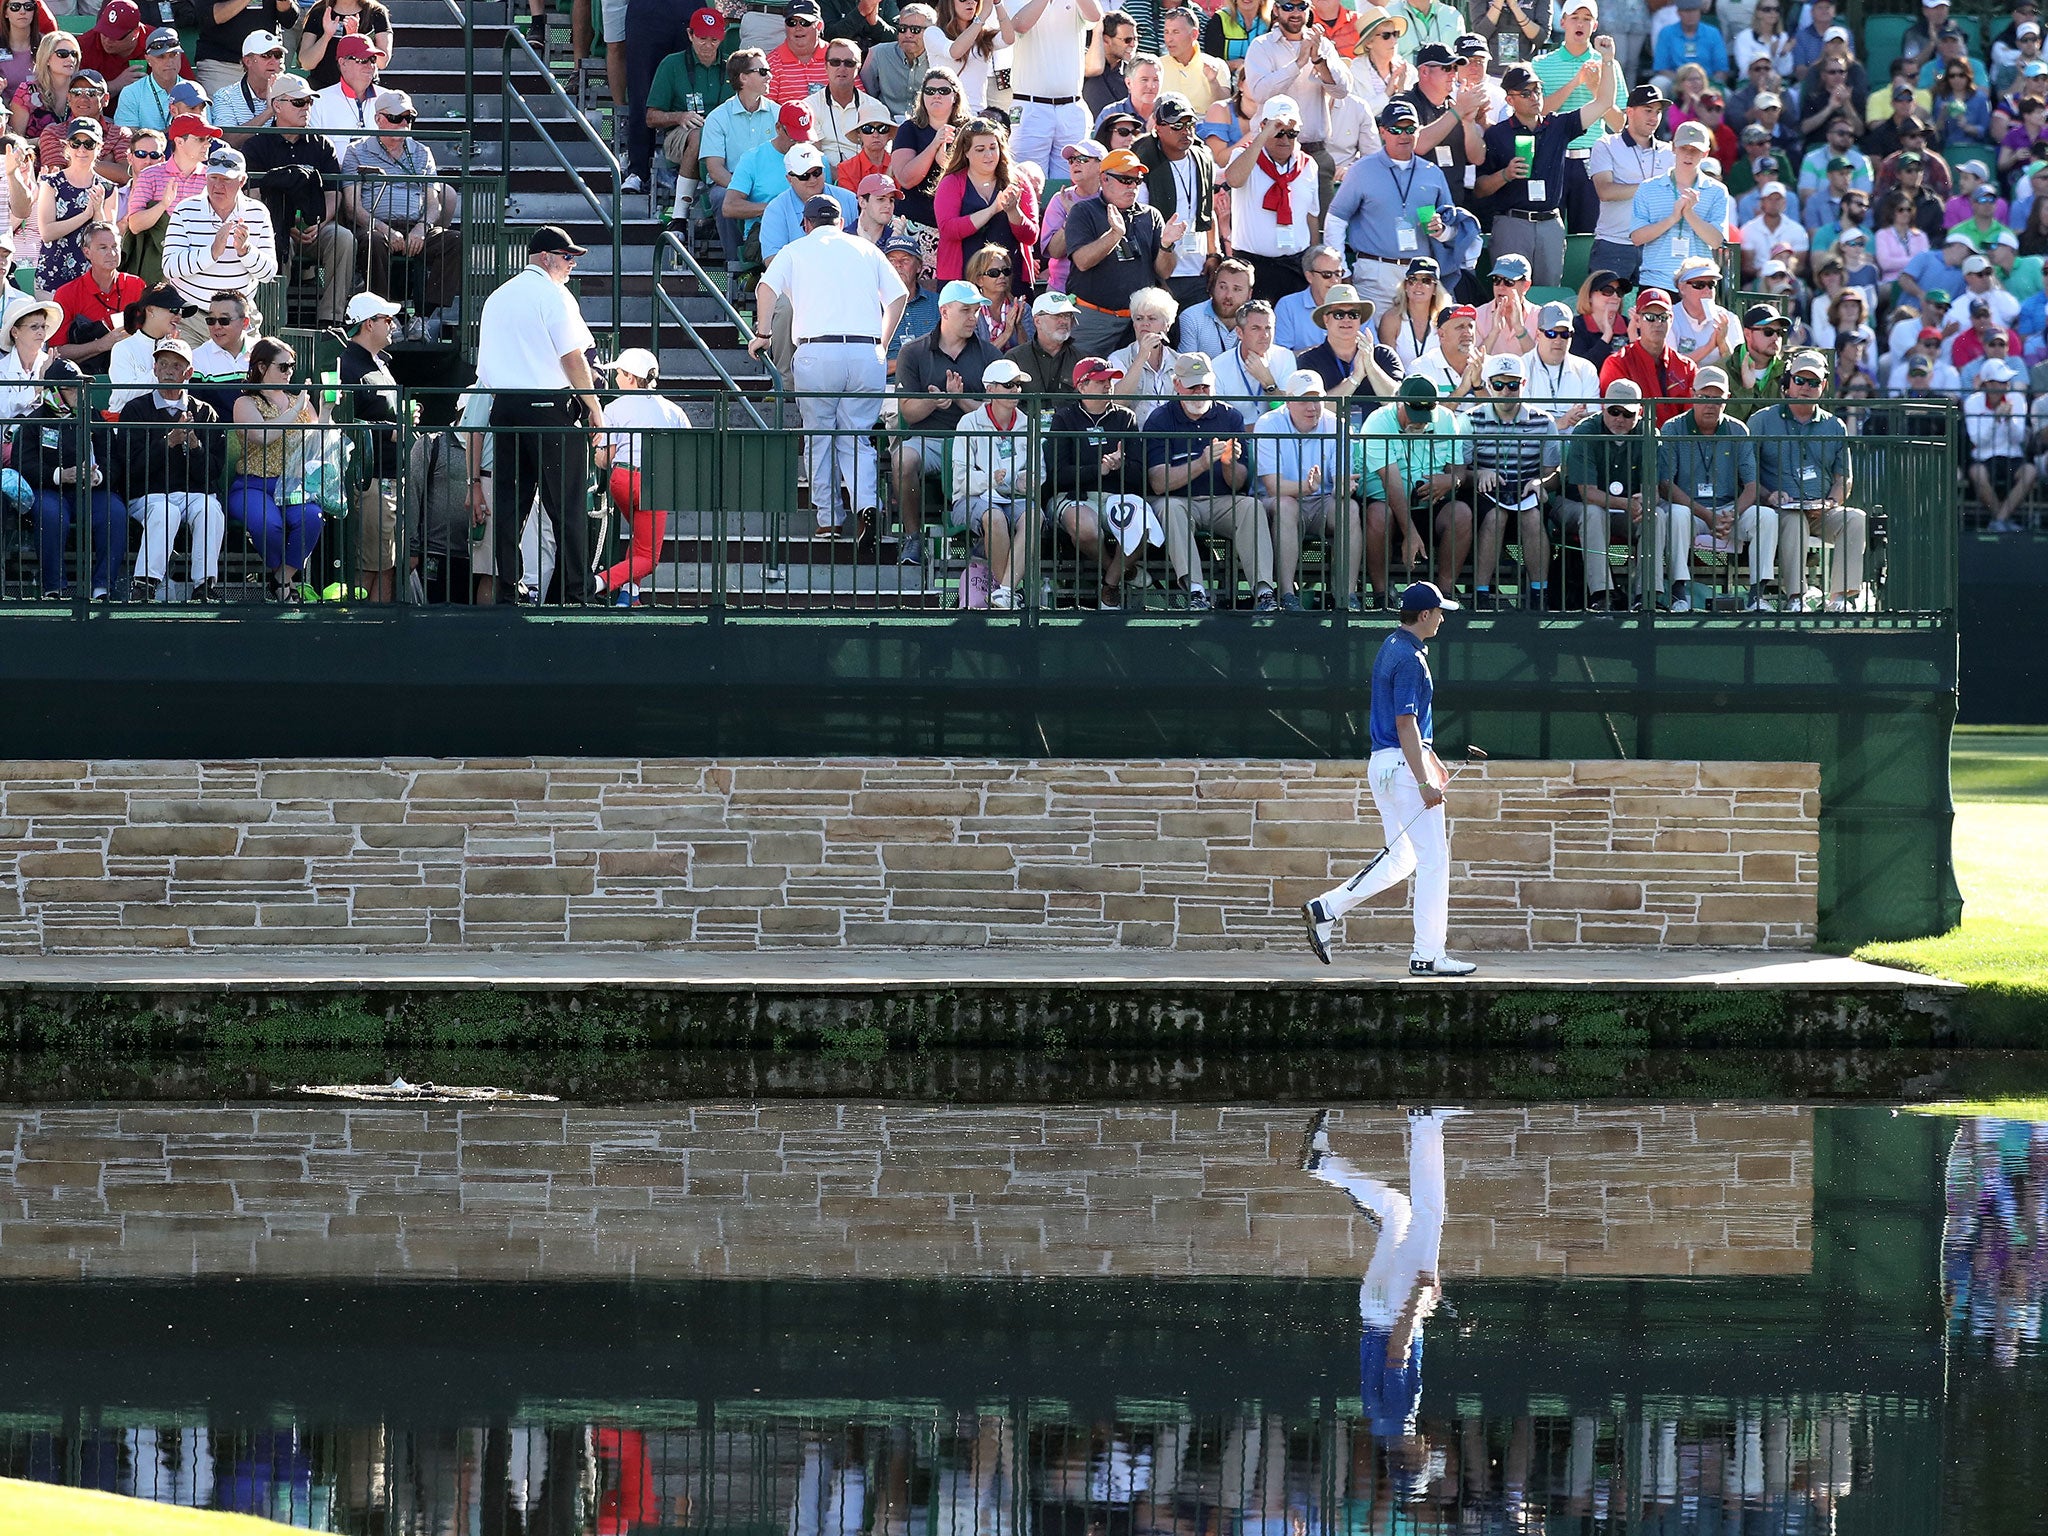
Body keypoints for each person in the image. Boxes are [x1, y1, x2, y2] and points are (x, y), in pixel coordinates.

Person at [1299, 578, 1472, 974]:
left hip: (1385, 764)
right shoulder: (1411, 659)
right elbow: (1405, 724)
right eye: (1440, 611)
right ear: (1425, 614)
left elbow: (1407, 729)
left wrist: (1432, 761)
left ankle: (1326, 909)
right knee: (1434, 862)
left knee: (1402, 859)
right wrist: (1425, 780)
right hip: (1404, 767)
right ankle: (1428, 956)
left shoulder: (1392, 645)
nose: (1443, 618)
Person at [755, 193, 908, 536]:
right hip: (865, 351)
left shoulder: (795, 250)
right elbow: (900, 296)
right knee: (857, 437)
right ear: (841, 222)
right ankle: (866, 504)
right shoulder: (867, 249)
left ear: (806, 224)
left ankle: (828, 519)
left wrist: (763, 334)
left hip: (817, 352)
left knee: (820, 437)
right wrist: (881, 343)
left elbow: (765, 288)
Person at [474, 226, 604, 607]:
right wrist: (593, 406)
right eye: (567, 257)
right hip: (548, 409)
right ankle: (576, 594)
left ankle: (508, 590)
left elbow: (485, 369)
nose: (572, 264)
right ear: (545, 257)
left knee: (510, 505)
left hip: (505, 408)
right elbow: (572, 356)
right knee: (568, 507)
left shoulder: (496, 297)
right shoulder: (554, 295)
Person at [1144, 350, 1277, 610]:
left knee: (1251, 507)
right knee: (1171, 508)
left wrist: (1228, 463)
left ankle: (1264, 591)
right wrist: (1202, 464)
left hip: (1221, 500)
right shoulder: (1159, 420)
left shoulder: (1230, 417)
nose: (1200, 392)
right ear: (1177, 385)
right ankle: (1195, 591)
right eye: (1193, 386)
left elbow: (1238, 483)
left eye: (1205, 385)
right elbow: (1158, 483)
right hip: (1179, 501)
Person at [891, 278, 1003, 565]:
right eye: (966, 310)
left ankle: (983, 539)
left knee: (1004, 462)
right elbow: (908, 413)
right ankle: (914, 538)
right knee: (902, 459)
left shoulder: (990, 354)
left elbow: (998, 415)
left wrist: (960, 399)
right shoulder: (913, 352)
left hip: (977, 444)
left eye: (976, 311)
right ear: (944, 312)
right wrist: (933, 401)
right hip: (930, 439)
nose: (973, 317)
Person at [1748, 349, 1865, 610]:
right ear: (1787, 383)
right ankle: (1795, 597)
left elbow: (1843, 478)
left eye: (1814, 382)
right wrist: (1769, 495)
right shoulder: (1761, 421)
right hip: (1776, 510)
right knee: (1793, 519)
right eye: (1800, 380)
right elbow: (1745, 474)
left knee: (1856, 518)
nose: (1806, 388)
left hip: (1821, 510)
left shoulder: (1835, 425)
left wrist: (1831, 503)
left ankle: (1840, 598)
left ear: (1823, 386)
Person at [116, 333, 225, 603]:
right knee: (166, 512)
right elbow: (130, 468)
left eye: (176, 366)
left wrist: (195, 447)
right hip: (147, 495)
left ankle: (205, 586)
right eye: (163, 364)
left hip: (192, 494)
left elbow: (212, 474)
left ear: (188, 372)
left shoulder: (205, 413)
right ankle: (144, 584)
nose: (168, 371)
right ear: (154, 368)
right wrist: (168, 443)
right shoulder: (135, 410)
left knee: (211, 509)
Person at [1651, 363, 1767, 609]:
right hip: (1692, 510)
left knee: (1765, 516)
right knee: (1678, 514)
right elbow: (1665, 485)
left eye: (1718, 398)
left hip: (1727, 512)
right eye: (1704, 397)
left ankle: (1757, 596)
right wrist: (1706, 515)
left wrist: (1732, 514)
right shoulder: (1673, 428)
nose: (1711, 404)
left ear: (1728, 399)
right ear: (1693, 395)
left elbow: (1752, 487)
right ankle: (1679, 592)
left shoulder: (1738, 429)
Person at [1324, 100, 1456, 314]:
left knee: (1418, 344)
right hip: (1374, 272)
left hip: (1420, 275)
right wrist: (1342, 269)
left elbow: (1453, 228)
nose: (1404, 135)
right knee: (1374, 342)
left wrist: (1442, 231)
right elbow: (1336, 220)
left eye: (1410, 129)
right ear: (1383, 131)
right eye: (1396, 129)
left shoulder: (1433, 172)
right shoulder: (1361, 170)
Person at [341, 90, 458, 325]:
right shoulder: (357, 151)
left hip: (416, 225)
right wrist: (384, 229)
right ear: (379, 119)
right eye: (396, 118)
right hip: (376, 226)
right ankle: (383, 316)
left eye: (409, 118)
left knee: (454, 241)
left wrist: (422, 228)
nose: (404, 124)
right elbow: (353, 207)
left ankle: (424, 317)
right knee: (373, 242)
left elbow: (434, 203)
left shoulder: (422, 152)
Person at [586, 348, 693, 607]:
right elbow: (688, 450)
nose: (616, 380)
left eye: (620, 374)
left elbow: (604, 458)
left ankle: (629, 595)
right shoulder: (673, 410)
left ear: (631, 378)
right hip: (656, 482)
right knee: (649, 556)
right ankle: (598, 583)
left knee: (641, 540)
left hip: (622, 479)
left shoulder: (613, 408)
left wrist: (595, 448)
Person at [227, 335, 325, 601]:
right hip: (253, 484)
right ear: (261, 367)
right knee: (268, 525)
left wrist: (327, 409)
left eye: (292, 366)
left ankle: (281, 579)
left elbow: (317, 440)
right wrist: (297, 410)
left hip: (293, 484)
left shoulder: (299, 401)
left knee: (311, 518)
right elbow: (262, 435)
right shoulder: (245, 402)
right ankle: (285, 585)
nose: (289, 372)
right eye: (283, 366)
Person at [1254, 367, 1359, 608]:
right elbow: (1272, 486)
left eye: (1318, 399)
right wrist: (1306, 487)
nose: (1312, 407)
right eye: (1304, 400)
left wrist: (1344, 487)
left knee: (1350, 509)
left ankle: (1347, 595)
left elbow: (1340, 481)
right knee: (1286, 505)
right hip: (1278, 502)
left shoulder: (1336, 424)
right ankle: (1287, 594)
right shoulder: (1269, 423)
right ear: (1288, 401)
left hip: (1322, 500)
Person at [1357, 374, 1469, 599]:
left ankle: (1443, 595)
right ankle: (1381, 594)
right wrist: (1411, 534)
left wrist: (1452, 481)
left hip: (1430, 504)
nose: (1420, 422)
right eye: (1414, 414)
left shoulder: (1447, 419)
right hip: (1386, 501)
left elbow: (1458, 471)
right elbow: (1393, 486)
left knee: (1462, 513)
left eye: (1426, 415)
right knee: (1379, 514)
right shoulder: (1377, 422)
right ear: (1399, 402)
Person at [18, 355, 120, 598]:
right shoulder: (34, 421)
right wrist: (58, 475)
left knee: (114, 513)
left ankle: (102, 587)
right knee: (51, 516)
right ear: (54, 391)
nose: (80, 393)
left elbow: (114, 458)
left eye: (82, 387)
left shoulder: (94, 417)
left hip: (90, 491)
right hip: (50, 490)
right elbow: (25, 463)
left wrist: (100, 476)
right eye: (72, 388)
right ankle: (54, 586)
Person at [1046, 353, 1144, 606]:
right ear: (1082, 385)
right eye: (1101, 380)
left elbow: (1139, 472)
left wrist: (1120, 466)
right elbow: (1058, 474)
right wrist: (1096, 470)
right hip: (1075, 495)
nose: (1108, 385)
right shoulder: (1065, 418)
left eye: (1110, 380)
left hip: (1117, 495)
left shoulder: (1125, 417)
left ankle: (1110, 584)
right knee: (1084, 528)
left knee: (1143, 524)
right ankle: (1123, 570)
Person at [1061, 144, 1179, 354]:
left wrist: (1166, 246)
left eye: (1137, 181)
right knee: (1085, 380)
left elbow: (1164, 272)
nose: (1132, 186)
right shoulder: (1084, 211)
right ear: (1104, 179)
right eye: (1125, 180)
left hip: (1138, 321)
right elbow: (1082, 261)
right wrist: (1114, 234)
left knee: (1140, 381)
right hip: (1094, 319)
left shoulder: (1150, 215)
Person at [1464, 352, 1559, 608]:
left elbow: (1553, 472)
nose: (1506, 390)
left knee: (1532, 517)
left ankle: (1540, 594)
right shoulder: (1470, 420)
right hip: (1485, 494)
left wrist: (1541, 482)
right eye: (1498, 384)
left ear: (1523, 385)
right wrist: (1479, 474)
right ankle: (1481, 594)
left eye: (1513, 384)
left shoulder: (1544, 421)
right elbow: (1459, 472)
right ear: (1487, 386)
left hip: (1527, 493)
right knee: (1496, 516)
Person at [1241, 0, 1353, 213]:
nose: (1295, 12)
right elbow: (1259, 93)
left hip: (1314, 152)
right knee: (1268, 228)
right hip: (1269, 152)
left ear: (1309, 9)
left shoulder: (1323, 44)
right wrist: (1298, 63)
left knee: (1318, 233)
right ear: (1276, 9)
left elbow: (1342, 91)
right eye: (1288, 6)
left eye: (1301, 7)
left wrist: (1318, 59)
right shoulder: (1261, 45)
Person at [950, 354, 1036, 608]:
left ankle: (1005, 591)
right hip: (971, 498)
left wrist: (1028, 482)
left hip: (1013, 498)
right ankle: (1007, 592)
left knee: (1035, 516)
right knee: (995, 517)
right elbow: (961, 479)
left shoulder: (1027, 423)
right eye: (1008, 385)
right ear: (990, 389)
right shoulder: (969, 422)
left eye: (1018, 385)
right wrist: (989, 480)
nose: (1016, 390)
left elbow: (1037, 470)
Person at [160, 143, 276, 321]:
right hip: (190, 318)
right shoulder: (185, 210)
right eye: (213, 177)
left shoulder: (258, 213)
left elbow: (268, 274)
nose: (217, 185)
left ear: (242, 181)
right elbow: (169, 267)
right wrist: (212, 252)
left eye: (226, 179)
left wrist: (246, 251)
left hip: (239, 318)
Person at [1562, 375, 1651, 608]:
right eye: (1614, 411)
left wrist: (1648, 500)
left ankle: (1648, 595)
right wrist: (1627, 504)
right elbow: (1586, 493)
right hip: (1574, 506)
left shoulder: (1651, 433)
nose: (1620, 419)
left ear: (1640, 412)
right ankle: (1602, 594)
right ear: (1603, 407)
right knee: (1593, 513)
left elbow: (1655, 488)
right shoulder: (1586, 430)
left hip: (1624, 511)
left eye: (1628, 413)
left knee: (1656, 516)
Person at [336, 290, 401, 602]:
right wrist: (388, 433)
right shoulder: (347, 366)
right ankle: (359, 629)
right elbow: (342, 424)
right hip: (368, 481)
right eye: (386, 319)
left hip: (389, 477)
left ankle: (380, 630)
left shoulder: (381, 364)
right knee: (370, 564)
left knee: (387, 562)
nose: (392, 324)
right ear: (367, 324)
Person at [1224, 95, 1321, 302]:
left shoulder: (1308, 165)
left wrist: (1313, 263)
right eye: (1278, 133)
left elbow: (1312, 217)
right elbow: (1233, 179)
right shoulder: (1245, 156)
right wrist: (1265, 133)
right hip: (1253, 265)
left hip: (1295, 266)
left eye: (1291, 133)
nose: (1285, 140)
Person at [648, 9, 736, 217]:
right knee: (699, 135)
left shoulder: (731, 66)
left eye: (714, 39)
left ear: (723, 36)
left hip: (726, 136)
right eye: (702, 38)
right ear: (690, 35)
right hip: (682, 135)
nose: (707, 45)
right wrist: (680, 116)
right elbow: (651, 117)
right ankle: (679, 215)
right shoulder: (671, 64)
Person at [934, 114, 1040, 285]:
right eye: (980, 149)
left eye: (993, 147)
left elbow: (1030, 237)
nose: (988, 155)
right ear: (966, 152)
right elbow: (948, 229)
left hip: (1011, 277)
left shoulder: (1018, 181)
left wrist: (1013, 211)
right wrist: (991, 210)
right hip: (962, 279)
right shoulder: (952, 182)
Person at [1133, 91, 1214, 311]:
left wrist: (1213, 252)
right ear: (1157, 129)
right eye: (1176, 125)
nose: (1185, 131)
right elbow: (1138, 220)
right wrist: (1155, 278)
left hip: (1197, 270)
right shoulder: (1143, 161)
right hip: (1161, 271)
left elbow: (1208, 210)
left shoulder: (1203, 157)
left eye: (1189, 124)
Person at [702, 51, 781, 271]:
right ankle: (736, 265)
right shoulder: (717, 117)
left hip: (772, 184)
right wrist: (741, 188)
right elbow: (715, 169)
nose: (770, 76)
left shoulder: (779, 113)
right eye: (763, 71)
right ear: (743, 78)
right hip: (732, 183)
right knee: (720, 197)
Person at [1587, 82, 1673, 281]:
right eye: (1648, 110)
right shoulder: (1606, 144)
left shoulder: (1669, 152)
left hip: (1656, 246)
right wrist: (1652, 186)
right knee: (1606, 307)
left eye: (1658, 112)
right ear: (1630, 112)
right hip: (1614, 244)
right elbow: (1605, 191)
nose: (1654, 118)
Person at [1008, 0, 1100, 181]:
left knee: (1071, 183)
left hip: (1071, 108)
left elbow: (1095, 16)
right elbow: (1020, 25)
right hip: (1030, 108)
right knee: (1026, 182)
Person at [34, 114, 115, 294]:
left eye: (89, 144)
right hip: (53, 277)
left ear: (99, 148)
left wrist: (98, 211)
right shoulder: (50, 183)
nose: (81, 149)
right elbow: (47, 233)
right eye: (75, 143)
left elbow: (109, 240)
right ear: (67, 146)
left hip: (92, 279)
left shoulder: (108, 188)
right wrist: (85, 215)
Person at [1598, 285, 1694, 422]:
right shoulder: (1618, 363)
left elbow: (1691, 418)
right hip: (1634, 441)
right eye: (1650, 317)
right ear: (1637, 320)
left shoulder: (1687, 367)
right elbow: (1615, 416)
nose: (1657, 323)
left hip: (1676, 441)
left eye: (1663, 317)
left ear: (1671, 320)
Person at [1296, 279, 1401, 402]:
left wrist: (1370, 366)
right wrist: (1355, 378)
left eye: (1353, 314)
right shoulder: (1309, 360)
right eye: (1339, 314)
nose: (1347, 319)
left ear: (1360, 319)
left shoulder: (1384, 355)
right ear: (1326, 319)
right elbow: (1313, 409)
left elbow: (1397, 404)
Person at [1966, 357, 2035, 529]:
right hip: (1984, 457)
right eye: (2000, 382)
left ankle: (1999, 521)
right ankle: (2002, 520)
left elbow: (2018, 439)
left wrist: (2010, 420)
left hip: (2012, 456)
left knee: (2030, 472)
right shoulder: (1972, 402)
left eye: (2007, 382)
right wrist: (1996, 421)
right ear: (1988, 384)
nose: (2005, 386)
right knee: (1977, 474)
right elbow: (1977, 441)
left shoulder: (2017, 399)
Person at [105, 279, 185, 410]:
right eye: (174, 309)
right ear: (150, 310)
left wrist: (173, 353)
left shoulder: (179, 348)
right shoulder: (123, 348)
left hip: (166, 422)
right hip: (127, 425)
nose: (178, 316)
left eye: (180, 311)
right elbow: (126, 394)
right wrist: (162, 370)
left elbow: (181, 396)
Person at [927, 0, 1015, 117]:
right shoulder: (933, 33)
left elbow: (1008, 39)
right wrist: (982, 16)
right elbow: (955, 52)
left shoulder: (983, 35)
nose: (971, 2)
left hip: (976, 114)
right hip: (947, 115)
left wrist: (998, 4)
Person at [1522, 299, 1601, 426]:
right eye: (1551, 333)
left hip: (1576, 442)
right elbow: (1520, 422)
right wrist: (1560, 423)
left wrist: (1584, 420)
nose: (1558, 340)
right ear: (1538, 335)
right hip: (1534, 444)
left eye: (1565, 334)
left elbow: (1594, 417)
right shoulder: (1522, 367)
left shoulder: (1586, 369)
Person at [305, 33, 383, 161]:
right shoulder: (319, 101)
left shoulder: (389, 98)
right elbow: (314, 152)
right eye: (362, 60)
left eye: (373, 59)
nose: (370, 65)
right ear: (343, 63)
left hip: (383, 179)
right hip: (336, 178)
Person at [207, 28, 288, 146]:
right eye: (266, 55)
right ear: (248, 61)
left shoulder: (291, 93)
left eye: (277, 55)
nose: (273, 61)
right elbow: (227, 141)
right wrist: (269, 112)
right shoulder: (225, 96)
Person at [1210, 295, 1295, 406]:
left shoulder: (1285, 357)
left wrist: (1269, 383)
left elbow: (1287, 413)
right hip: (1238, 424)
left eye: (1268, 328)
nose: (1264, 335)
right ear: (1239, 332)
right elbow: (1221, 420)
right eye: (1256, 328)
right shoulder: (1218, 367)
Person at [860, 2, 934, 119]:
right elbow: (866, 96)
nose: (908, 35)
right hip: (886, 126)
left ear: (931, 32)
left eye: (915, 30)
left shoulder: (939, 59)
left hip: (926, 126)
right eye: (902, 29)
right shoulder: (878, 54)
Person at [111, 27, 191, 135]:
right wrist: (168, 133)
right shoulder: (131, 93)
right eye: (161, 57)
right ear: (148, 59)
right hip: (144, 152)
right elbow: (126, 139)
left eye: (173, 55)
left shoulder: (193, 91)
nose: (169, 62)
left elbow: (203, 133)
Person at [1177, 255, 1252, 360]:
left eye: (1237, 289)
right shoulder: (1191, 317)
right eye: (1223, 287)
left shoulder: (1258, 320)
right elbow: (1187, 368)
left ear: (1249, 294)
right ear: (1213, 286)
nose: (1228, 295)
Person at [1007, 286, 1079, 392]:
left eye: (1067, 315)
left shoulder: (1081, 359)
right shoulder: (1014, 359)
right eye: (1057, 315)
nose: (1064, 321)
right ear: (1037, 321)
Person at [1724, 299, 1787, 416]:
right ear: (1747, 334)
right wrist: (1746, 390)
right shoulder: (1723, 369)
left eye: (1780, 332)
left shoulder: (1787, 372)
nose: (1775, 338)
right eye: (1768, 332)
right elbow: (1723, 425)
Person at [1472, 249, 1538, 357]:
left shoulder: (1540, 317)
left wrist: (1520, 330)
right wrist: (1494, 333)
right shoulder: (1478, 315)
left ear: (1526, 285)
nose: (1501, 287)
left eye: (1509, 281)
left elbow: (1540, 365)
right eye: (1496, 280)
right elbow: (1473, 366)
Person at [1083, 7, 1135, 120]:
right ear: (1106, 40)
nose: (1133, 44)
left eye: (1135, 39)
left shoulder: (1132, 72)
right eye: (1128, 40)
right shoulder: (1084, 60)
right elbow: (1094, 68)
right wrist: (1097, 31)